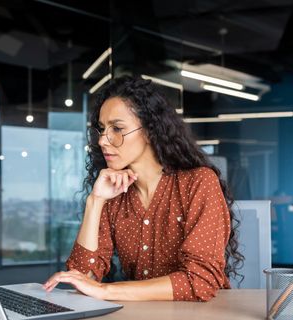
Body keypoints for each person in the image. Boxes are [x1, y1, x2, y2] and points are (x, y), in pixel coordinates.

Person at [43, 76, 242, 301]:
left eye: (117, 128)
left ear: (149, 130)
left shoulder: (198, 183)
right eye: (102, 129)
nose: (102, 141)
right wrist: (95, 201)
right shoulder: (114, 194)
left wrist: (107, 290)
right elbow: (82, 277)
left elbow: (200, 281)